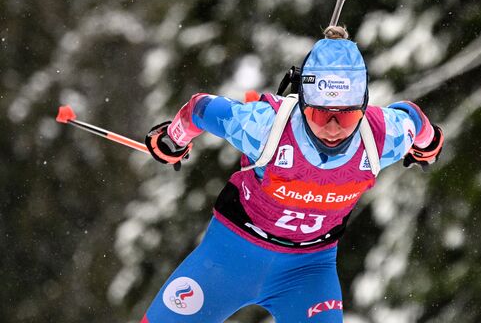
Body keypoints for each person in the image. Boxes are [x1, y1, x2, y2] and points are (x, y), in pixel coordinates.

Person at [141, 26, 444, 322]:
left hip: (308, 273)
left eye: (348, 116)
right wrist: (174, 138)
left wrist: (428, 144)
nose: (333, 129)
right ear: (303, 103)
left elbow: (412, 119)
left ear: (363, 107)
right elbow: (202, 108)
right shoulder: (264, 126)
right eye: (321, 113)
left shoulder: (380, 136)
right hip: (230, 257)